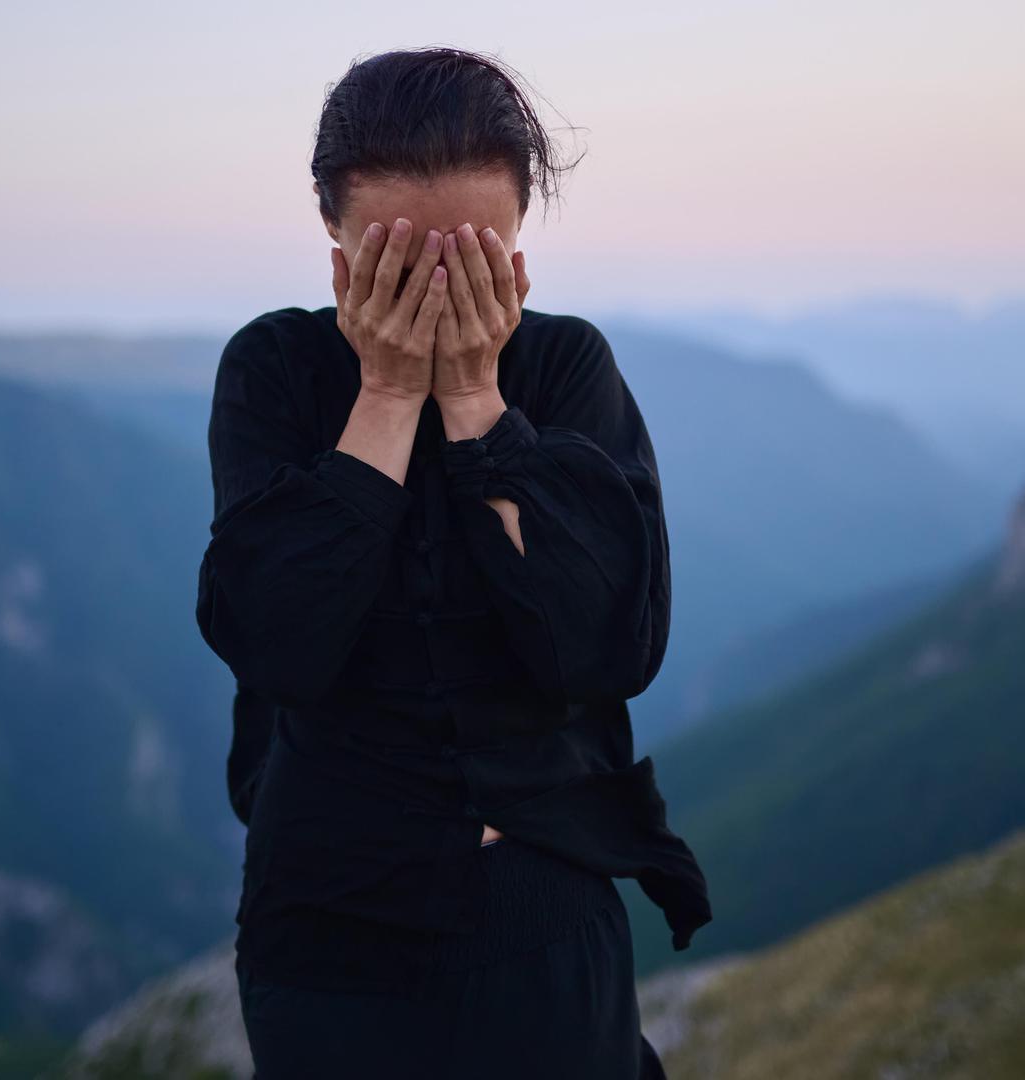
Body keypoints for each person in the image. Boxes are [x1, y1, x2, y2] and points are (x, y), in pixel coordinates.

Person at [195, 45, 711, 1079]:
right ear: (335, 237)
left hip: (540, 908)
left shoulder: (562, 368)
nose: (437, 292)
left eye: (471, 259)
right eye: (397, 261)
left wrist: (478, 401)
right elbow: (279, 644)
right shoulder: (278, 370)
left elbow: (606, 650)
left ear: (518, 244)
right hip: (327, 921)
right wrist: (387, 396)